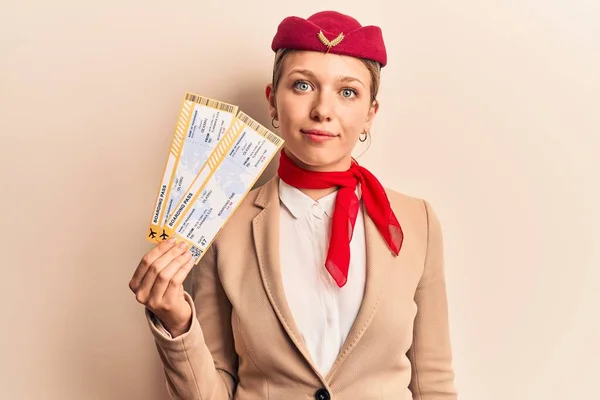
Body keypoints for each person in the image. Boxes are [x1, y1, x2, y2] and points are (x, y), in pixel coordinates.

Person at [129, 10, 458, 400]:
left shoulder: (416, 221)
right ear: (272, 101)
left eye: (348, 92)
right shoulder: (223, 224)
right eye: (302, 85)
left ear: (371, 113)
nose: (322, 109)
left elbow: (433, 381)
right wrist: (177, 323)